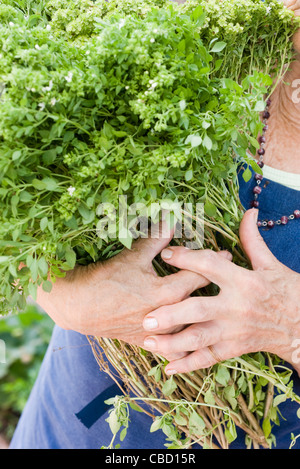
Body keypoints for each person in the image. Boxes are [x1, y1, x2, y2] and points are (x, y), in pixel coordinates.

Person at [10, 0, 300, 449]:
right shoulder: (200, 27)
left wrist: (290, 326)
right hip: (73, 424)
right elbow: (24, 195)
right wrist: (65, 297)